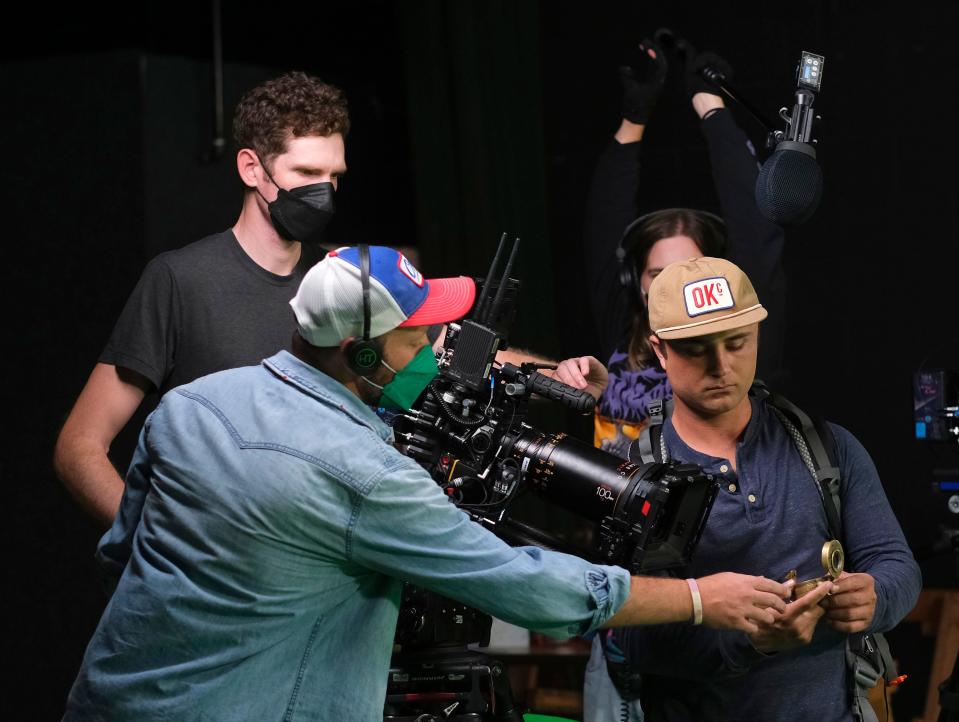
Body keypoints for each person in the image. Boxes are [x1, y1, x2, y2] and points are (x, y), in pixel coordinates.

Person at [62, 246, 794, 721]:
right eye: (418, 338)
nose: (437, 353)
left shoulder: (190, 405)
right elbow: (532, 589)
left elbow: (126, 548)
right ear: (361, 356)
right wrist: (701, 598)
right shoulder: (366, 477)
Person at [552, 36, 788, 722]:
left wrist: (709, 106)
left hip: (723, 604)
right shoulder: (622, 354)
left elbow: (754, 226)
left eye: (692, 274)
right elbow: (602, 233)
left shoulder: (733, 362)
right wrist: (633, 121)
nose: (677, 290)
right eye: (659, 277)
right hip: (628, 612)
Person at [612, 256, 921, 721]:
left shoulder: (826, 448)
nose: (721, 366)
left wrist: (875, 597)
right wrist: (751, 641)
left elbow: (897, 565)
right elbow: (633, 640)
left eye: (737, 342)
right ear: (660, 351)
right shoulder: (631, 474)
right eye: (696, 348)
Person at [53, 71, 348, 528]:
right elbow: (80, 444)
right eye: (307, 173)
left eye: (334, 176)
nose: (324, 193)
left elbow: (444, 352)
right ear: (252, 168)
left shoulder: (342, 280)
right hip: (215, 582)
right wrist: (151, 547)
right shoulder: (180, 280)